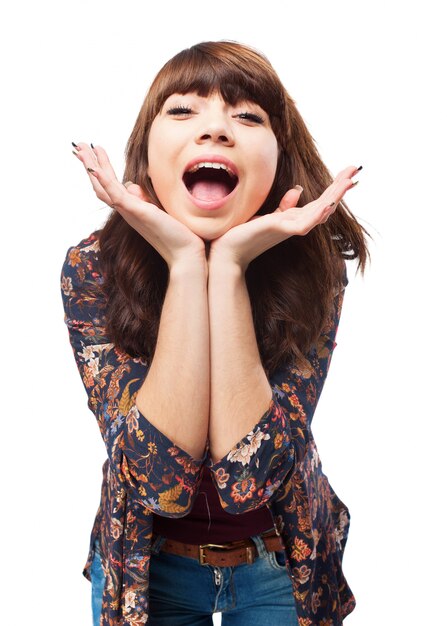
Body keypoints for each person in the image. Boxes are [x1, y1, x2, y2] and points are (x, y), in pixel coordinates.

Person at [61, 40, 368, 626]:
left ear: (280, 158)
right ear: (146, 152)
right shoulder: (91, 269)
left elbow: (251, 478)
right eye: (183, 111)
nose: (216, 131)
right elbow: (157, 481)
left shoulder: (314, 270)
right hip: (147, 571)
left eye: (247, 116)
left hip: (283, 570)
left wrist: (226, 266)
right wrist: (183, 261)